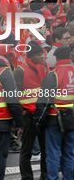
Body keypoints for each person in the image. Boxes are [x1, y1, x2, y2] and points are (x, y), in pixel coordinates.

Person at [35, 46, 74, 180]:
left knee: (53, 153)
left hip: (54, 119)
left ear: (57, 58)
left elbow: (43, 101)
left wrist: (38, 121)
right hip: (72, 119)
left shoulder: (53, 74)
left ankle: (52, 178)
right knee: (69, 153)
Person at [14, 41, 48, 180]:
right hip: (27, 116)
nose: (43, 56)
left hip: (42, 114)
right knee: (26, 150)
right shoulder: (20, 71)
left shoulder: (43, 67)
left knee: (45, 150)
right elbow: (14, 95)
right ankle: (27, 177)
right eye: (40, 54)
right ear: (32, 56)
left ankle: (45, 176)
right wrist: (20, 116)